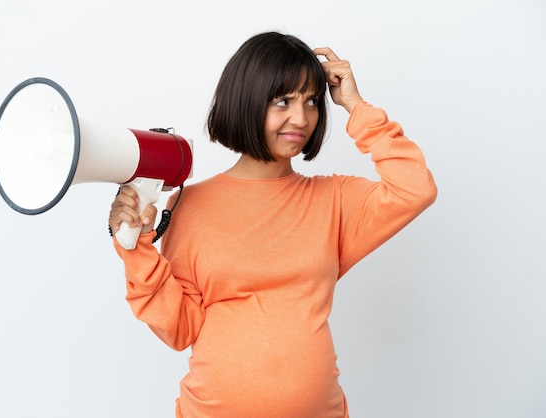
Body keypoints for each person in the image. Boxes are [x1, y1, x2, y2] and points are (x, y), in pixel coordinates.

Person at [108, 31, 437, 418]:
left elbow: (415, 189)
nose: (302, 118)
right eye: (283, 101)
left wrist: (355, 105)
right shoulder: (189, 205)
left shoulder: (333, 201)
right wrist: (136, 248)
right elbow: (180, 328)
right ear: (247, 101)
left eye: (311, 101)